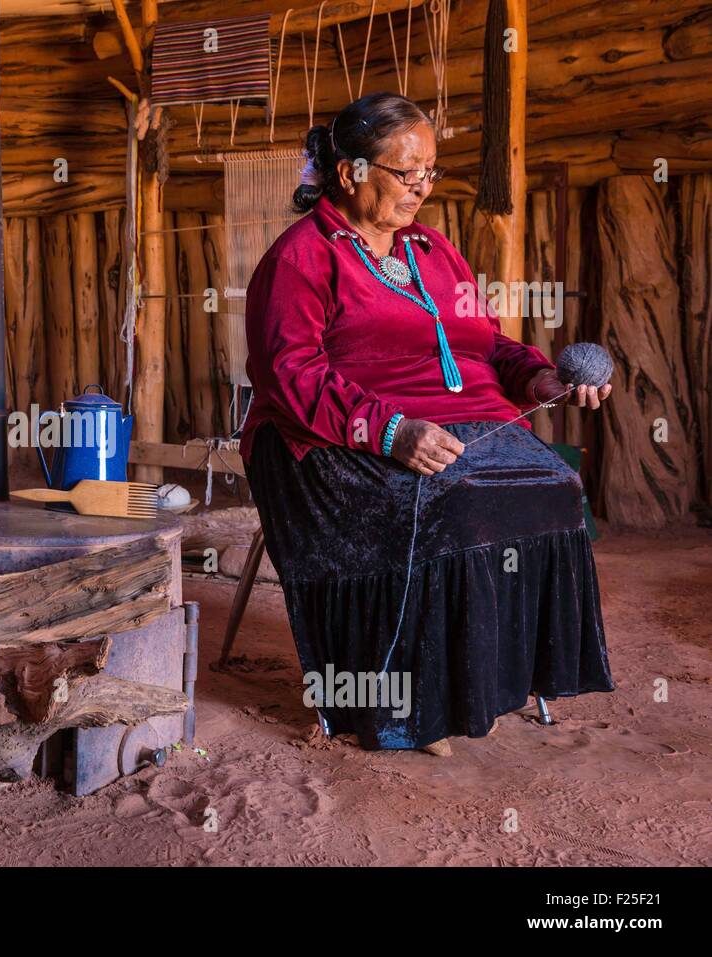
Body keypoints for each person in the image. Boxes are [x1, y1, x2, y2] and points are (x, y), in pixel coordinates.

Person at [242, 92, 614, 754]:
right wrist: (390, 430)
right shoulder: (304, 256)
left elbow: (487, 344)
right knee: (453, 496)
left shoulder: (433, 250)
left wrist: (539, 377)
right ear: (353, 171)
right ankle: (408, 707)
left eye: (431, 171)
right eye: (407, 172)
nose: (423, 186)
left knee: (553, 483)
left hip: (465, 417)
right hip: (335, 433)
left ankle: (489, 681)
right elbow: (290, 373)